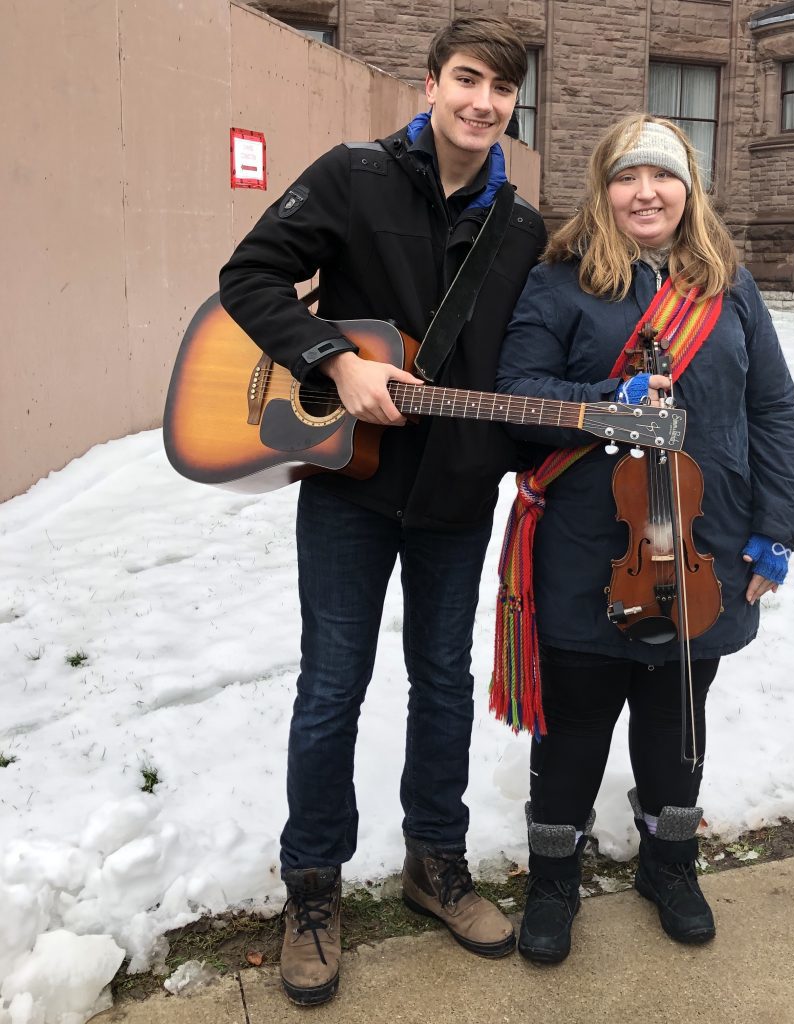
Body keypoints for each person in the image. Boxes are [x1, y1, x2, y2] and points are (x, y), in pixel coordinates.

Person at [218, 16, 546, 1006]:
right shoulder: (353, 175)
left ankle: (433, 862)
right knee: (332, 687)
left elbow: (518, 366)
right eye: (465, 79)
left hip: (453, 495)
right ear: (432, 81)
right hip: (350, 488)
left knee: (443, 685)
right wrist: (333, 358)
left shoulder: (523, 229)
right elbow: (249, 278)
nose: (480, 102)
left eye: (499, 89)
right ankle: (312, 886)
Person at [493, 114, 794, 964]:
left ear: (688, 189)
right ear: (603, 190)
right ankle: (553, 879)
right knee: (577, 723)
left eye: (662, 176)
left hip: (704, 542)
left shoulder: (727, 283)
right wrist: (606, 396)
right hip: (589, 545)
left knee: (677, 719)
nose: (646, 192)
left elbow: (770, 408)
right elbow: (516, 388)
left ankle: (671, 864)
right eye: (627, 177)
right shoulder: (560, 281)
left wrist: (778, 527)